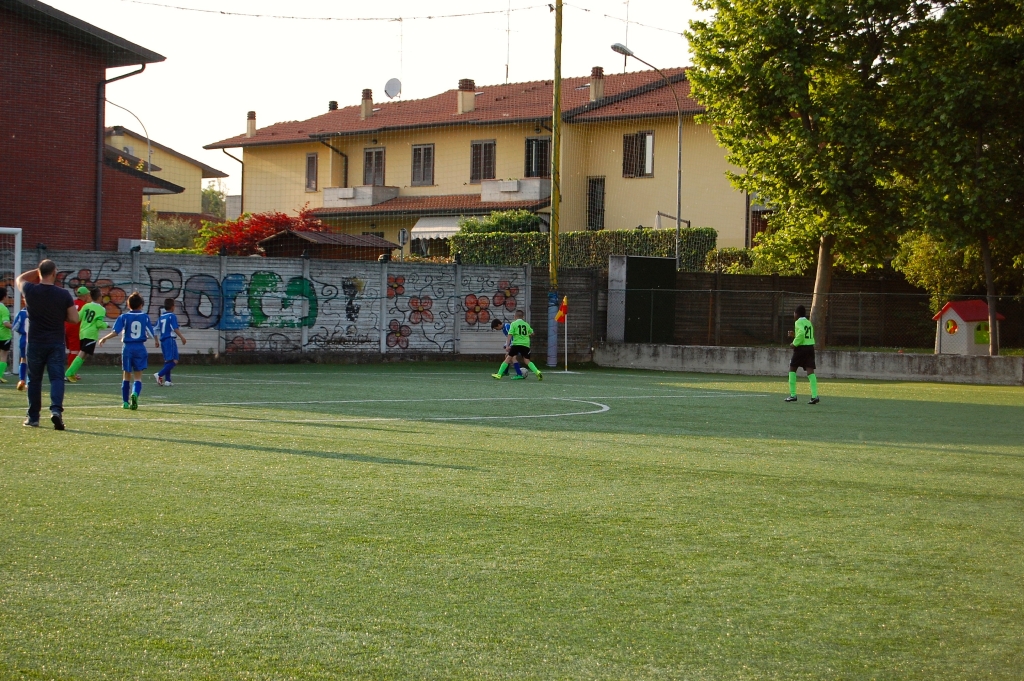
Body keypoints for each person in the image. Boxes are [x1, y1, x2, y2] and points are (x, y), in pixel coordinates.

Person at [16, 260, 79, 429]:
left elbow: (19, 279)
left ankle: (33, 417)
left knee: (34, 380)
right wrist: (61, 316)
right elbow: (75, 318)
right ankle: (56, 411)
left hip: (35, 341)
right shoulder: (63, 294)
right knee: (57, 378)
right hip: (55, 342)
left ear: (39, 273)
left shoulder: (30, 290)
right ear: (54, 273)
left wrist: (37, 271)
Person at [98, 291, 155, 411]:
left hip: (127, 348)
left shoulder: (123, 317)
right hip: (140, 348)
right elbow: (151, 333)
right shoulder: (145, 317)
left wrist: (104, 338)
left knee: (126, 375)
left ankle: (125, 402)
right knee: (138, 377)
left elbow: (116, 332)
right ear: (141, 305)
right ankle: (135, 394)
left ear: (128, 305)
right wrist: (155, 340)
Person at [65, 288, 108, 383]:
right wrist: (106, 325)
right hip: (91, 334)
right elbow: (99, 324)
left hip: (82, 333)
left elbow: (78, 317)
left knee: (83, 355)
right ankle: (69, 373)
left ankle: (72, 373)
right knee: (82, 353)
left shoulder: (86, 306)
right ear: (99, 298)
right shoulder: (101, 309)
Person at [492, 309, 542, 381]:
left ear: (515, 316)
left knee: (509, 358)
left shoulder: (513, 324)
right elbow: (533, 333)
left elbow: (510, 335)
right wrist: (526, 335)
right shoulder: (526, 324)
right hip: (526, 344)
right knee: (527, 360)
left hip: (516, 344)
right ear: (523, 317)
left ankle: (500, 374)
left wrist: (507, 345)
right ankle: (537, 372)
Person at [785, 305, 819, 404]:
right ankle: (814, 396)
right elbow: (806, 335)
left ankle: (793, 395)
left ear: (797, 314)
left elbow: (802, 334)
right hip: (810, 348)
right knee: (810, 371)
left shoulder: (798, 322)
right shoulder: (808, 322)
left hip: (801, 349)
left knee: (792, 368)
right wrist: (794, 335)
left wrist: (794, 343)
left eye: (794, 313)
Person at [154, 298, 186, 386]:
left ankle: (168, 381)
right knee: (175, 360)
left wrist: (156, 341)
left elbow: (155, 329)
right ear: (172, 307)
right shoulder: (172, 316)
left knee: (168, 361)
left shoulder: (161, 317)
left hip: (163, 340)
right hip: (170, 339)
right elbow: (175, 328)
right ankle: (159, 374)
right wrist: (182, 337)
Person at [64, 286, 89, 379]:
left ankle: (71, 371)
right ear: (85, 295)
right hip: (75, 328)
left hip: (67, 327)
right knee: (75, 351)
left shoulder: (73, 303)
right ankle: (70, 373)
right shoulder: (85, 305)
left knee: (72, 351)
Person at [11, 303, 28, 391]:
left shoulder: (21, 313)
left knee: (23, 359)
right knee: (33, 361)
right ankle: (29, 382)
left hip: (23, 338)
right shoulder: (38, 312)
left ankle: (21, 380)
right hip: (35, 339)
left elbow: (15, 327)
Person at [0, 289, 11, 384]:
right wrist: (15, 327)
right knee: (3, 356)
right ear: (4, 297)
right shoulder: (3, 309)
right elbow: (6, 323)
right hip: (3, 336)